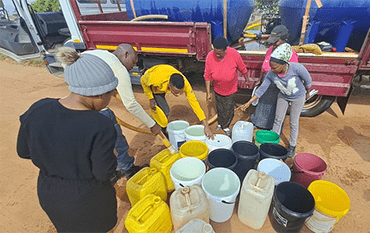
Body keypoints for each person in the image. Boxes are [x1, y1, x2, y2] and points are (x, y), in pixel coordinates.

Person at [17, 48, 119, 232]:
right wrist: (112, 155)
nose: (110, 98)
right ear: (99, 93)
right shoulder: (100, 125)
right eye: (111, 94)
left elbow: (23, 151)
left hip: (50, 193)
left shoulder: (38, 108)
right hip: (88, 200)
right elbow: (104, 173)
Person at [83, 44, 160, 179]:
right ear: (126, 54)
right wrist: (152, 124)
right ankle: (125, 170)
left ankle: (113, 170)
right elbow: (130, 104)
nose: (133, 67)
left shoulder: (100, 54)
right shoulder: (119, 68)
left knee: (98, 143)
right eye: (133, 62)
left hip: (81, 107)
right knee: (115, 137)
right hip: (96, 110)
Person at [238, 43, 312, 158]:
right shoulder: (271, 74)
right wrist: (248, 103)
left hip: (298, 96)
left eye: (275, 67)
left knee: (293, 122)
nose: (272, 69)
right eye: (271, 67)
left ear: (284, 64)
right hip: (283, 95)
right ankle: (273, 142)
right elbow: (261, 90)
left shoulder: (297, 68)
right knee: (277, 119)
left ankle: (292, 145)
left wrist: (307, 92)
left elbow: (308, 80)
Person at [140, 64, 214, 139]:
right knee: (165, 111)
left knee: (165, 111)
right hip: (155, 85)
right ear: (169, 85)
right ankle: (164, 134)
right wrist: (151, 98)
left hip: (165, 79)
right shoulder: (155, 79)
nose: (178, 95)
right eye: (176, 92)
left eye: (180, 92)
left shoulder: (186, 84)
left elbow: (195, 104)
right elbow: (143, 80)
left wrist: (206, 125)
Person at [250, 25, 299, 130]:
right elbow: (265, 66)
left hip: (279, 85)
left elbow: (292, 73)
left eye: (276, 41)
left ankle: (274, 129)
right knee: (263, 105)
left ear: (284, 40)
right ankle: (259, 123)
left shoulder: (290, 53)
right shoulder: (271, 49)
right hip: (267, 82)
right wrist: (260, 79)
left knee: (275, 108)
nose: (273, 44)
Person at [204, 36, 248, 136]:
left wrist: (246, 78)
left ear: (226, 49)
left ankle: (226, 125)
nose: (218, 55)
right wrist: (208, 92)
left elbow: (242, 67)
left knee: (228, 108)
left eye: (220, 53)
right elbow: (207, 75)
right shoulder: (210, 56)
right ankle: (220, 123)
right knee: (219, 107)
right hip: (217, 88)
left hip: (230, 89)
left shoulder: (234, 54)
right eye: (216, 52)